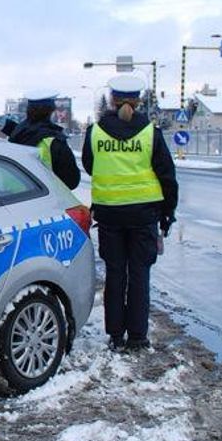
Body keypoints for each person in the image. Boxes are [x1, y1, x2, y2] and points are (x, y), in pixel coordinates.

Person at [81, 75, 178, 352]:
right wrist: (167, 213)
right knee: (139, 275)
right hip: (144, 216)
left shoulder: (95, 132)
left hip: (110, 215)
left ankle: (115, 336)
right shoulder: (150, 133)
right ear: (138, 100)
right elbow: (167, 176)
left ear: (112, 100)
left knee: (115, 275)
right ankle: (137, 337)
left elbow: (90, 166)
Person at [3, 90, 81, 189]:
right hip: (43, 200)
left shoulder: (15, 135)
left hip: (11, 198)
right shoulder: (54, 141)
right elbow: (72, 181)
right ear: (50, 112)